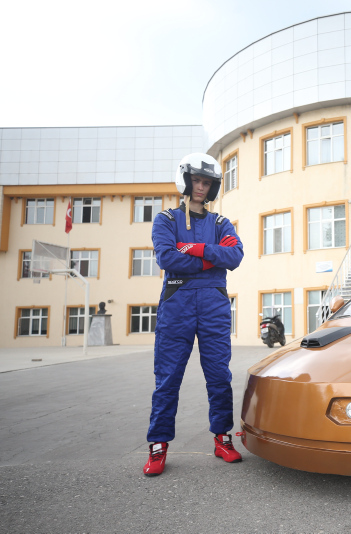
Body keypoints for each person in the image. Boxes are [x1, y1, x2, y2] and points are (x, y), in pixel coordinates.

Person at [143, 153, 244, 477]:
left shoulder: (220, 223)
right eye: (197, 181)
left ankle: (222, 438)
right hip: (177, 302)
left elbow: (235, 255)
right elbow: (167, 259)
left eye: (207, 183)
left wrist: (196, 249)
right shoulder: (166, 220)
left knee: (219, 376)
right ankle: (158, 445)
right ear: (186, 181)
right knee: (168, 377)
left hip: (214, 304)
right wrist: (212, 259)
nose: (201, 187)